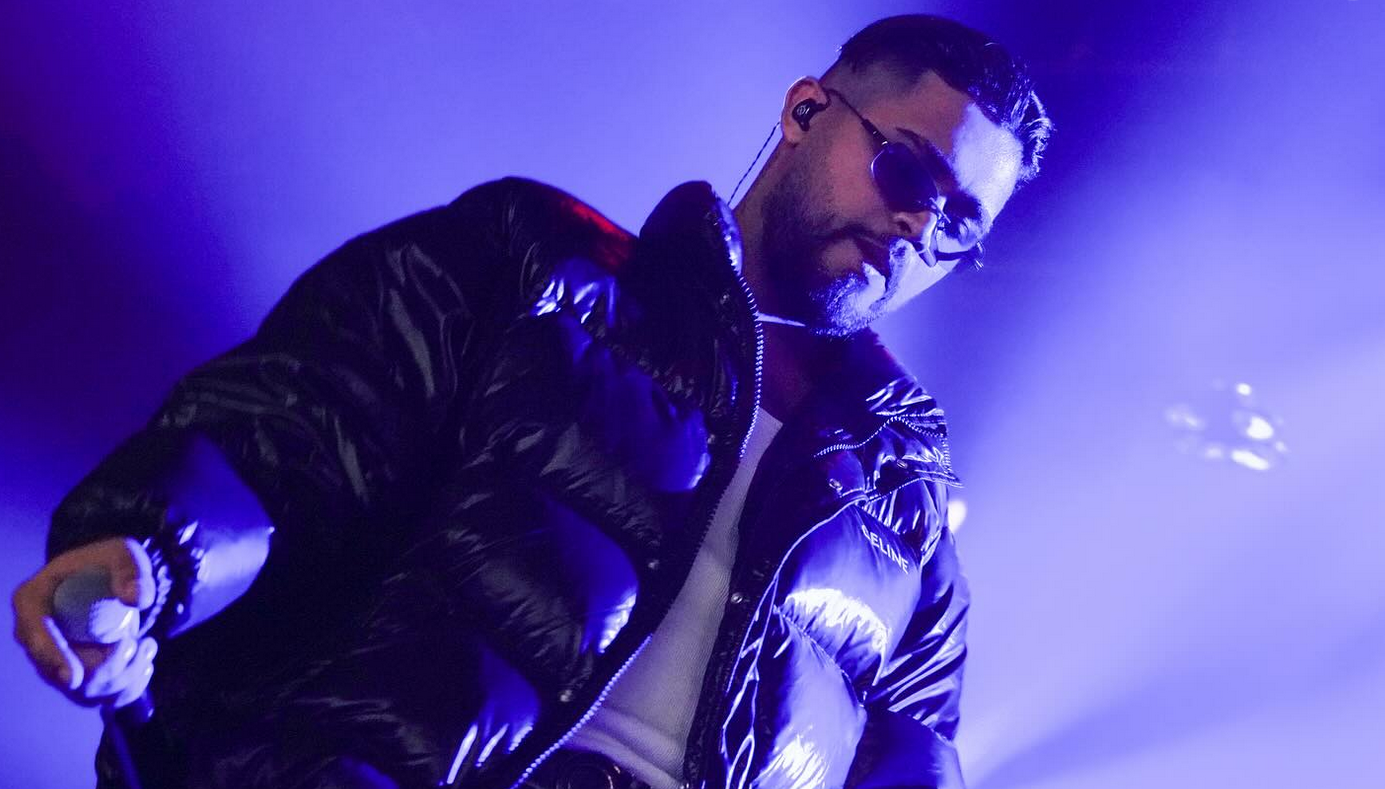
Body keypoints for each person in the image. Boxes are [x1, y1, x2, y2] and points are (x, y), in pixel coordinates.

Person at [11, 14, 1051, 789]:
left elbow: (912, 749)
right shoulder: (532, 266)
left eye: (959, 225)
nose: (919, 230)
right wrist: (154, 554)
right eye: (905, 172)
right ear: (804, 111)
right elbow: (298, 429)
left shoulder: (907, 507)